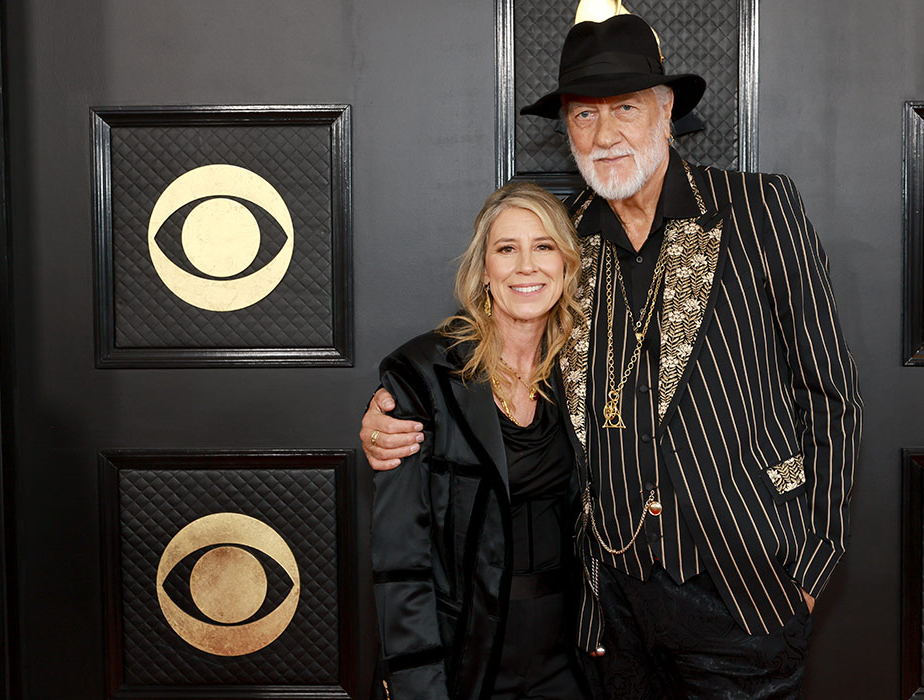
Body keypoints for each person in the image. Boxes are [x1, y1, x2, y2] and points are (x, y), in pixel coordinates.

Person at [364, 14, 863, 699]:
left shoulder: (756, 208)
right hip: (611, 604)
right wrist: (398, 404)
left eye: (626, 108)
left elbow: (827, 390)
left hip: (747, 589)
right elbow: (502, 314)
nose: (605, 134)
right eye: (584, 115)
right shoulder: (566, 236)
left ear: (665, 112)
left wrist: (811, 564)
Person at [370, 182, 589, 700]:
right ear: (484, 270)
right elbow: (400, 556)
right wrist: (420, 684)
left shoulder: (582, 370)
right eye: (507, 249)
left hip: (574, 655)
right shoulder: (422, 374)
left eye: (544, 246)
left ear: (566, 264)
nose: (527, 266)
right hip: (468, 653)